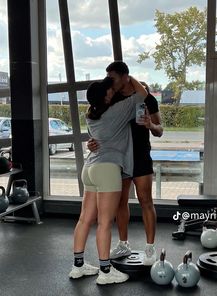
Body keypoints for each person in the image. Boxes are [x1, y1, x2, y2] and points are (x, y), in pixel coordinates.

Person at [69, 75, 147, 285]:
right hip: (107, 169)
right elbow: (143, 94)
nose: (112, 90)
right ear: (104, 97)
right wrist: (128, 77)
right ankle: (105, 271)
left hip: (90, 168)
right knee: (104, 222)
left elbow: (96, 138)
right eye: (109, 90)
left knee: (85, 219)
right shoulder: (117, 111)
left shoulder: (90, 115)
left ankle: (78, 266)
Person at [87, 61, 163, 265]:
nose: (109, 81)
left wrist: (150, 125)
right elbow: (99, 126)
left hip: (140, 155)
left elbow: (160, 131)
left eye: (112, 77)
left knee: (145, 200)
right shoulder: (111, 98)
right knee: (121, 202)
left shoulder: (147, 99)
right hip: (119, 158)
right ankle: (123, 243)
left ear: (125, 77)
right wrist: (92, 142)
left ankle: (150, 248)